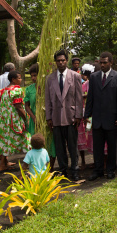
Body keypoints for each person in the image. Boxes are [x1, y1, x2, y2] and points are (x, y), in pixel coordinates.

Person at [85, 51, 117, 181]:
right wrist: (87, 114)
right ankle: (98, 170)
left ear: (111, 62)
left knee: (112, 147)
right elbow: (90, 97)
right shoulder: (94, 77)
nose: (102, 65)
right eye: (100, 62)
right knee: (97, 147)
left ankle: (110, 170)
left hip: (112, 119)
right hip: (97, 118)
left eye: (105, 62)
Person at [45, 50, 83, 181]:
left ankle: (75, 170)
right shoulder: (50, 78)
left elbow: (79, 98)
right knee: (60, 148)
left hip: (71, 117)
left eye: (63, 60)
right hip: (56, 118)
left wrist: (78, 116)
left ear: (66, 61)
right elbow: (47, 99)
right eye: (58, 61)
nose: (60, 63)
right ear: (55, 62)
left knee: (73, 147)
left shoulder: (75, 76)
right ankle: (63, 171)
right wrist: (48, 117)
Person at [25, 64, 56, 171]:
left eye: (35, 75)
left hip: (47, 120)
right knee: (36, 144)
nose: (33, 78)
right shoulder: (29, 89)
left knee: (50, 144)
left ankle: (49, 170)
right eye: (31, 76)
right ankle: (36, 170)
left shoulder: (47, 87)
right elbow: (27, 105)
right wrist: (33, 117)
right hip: (35, 122)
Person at [0, 71, 30, 171]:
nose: (21, 80)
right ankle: (28, 163)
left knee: (5, 140)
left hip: (4, 121)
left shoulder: (3, 91)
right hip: (15, 120)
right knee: (27, 139)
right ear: (13, 79)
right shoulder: (16, 90)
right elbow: (19, 107)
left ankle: (3, 164)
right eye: (19, 78)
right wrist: (25, 118)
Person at [77, 64, 95, 170]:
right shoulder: (85, 84)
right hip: (84, 112)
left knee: (92, 136)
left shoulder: (93, 83)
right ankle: (84, 161)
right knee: (82, 136)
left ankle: (95, 160)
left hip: (92, 113)